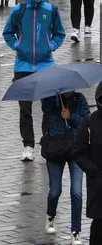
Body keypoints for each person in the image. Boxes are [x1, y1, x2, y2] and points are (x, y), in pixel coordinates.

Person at [2, 0, 65, 161]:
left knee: (49, 108)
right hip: (23, 67)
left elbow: (60, 33)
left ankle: (47, 141)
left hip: (46, 66)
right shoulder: (19, 10)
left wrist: (50, 46)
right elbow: (7, 32)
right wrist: (18, 45)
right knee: (25, 110)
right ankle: (28, 146)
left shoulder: (51, 10)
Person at [41, 91, 89, 245]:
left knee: (76, 192)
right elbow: (48, 120)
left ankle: (75, 232)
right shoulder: (50, 100)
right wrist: (57, 106)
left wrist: (71, 116)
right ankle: (50, 215)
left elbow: (86, 122)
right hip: (56, 150)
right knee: (55, 190)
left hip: (76, 151)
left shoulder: (80, 99)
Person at [73, 81, 102, 245]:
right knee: (99, 226)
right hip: (99, 187)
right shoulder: (90, 122)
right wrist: (94, 172)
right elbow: (78, 152)